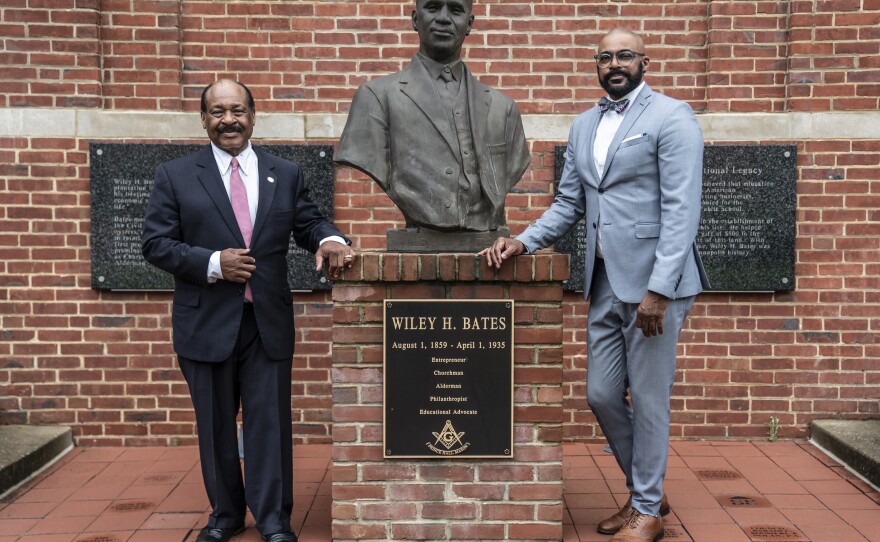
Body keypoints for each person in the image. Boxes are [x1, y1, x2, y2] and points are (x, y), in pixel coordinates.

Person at [480, 29, 709, 542]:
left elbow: (681, 209)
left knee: (649, 399)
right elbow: (568, 203)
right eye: (604, 57)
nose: (614, 63)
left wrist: (660, 289)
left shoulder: (672, 117)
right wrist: (523, 241)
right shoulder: (584, 125)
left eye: (624, 54)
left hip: (655, 285)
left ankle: (646, 509)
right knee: (602, 393)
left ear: (645, 61)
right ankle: (645, 490)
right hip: (603, 281)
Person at [142, 79, 357, 542]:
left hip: (266, 322)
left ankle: (275, 520)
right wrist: (214, 262)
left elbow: (308, 222)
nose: (228, 120)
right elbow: (156, 244)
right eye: (217, 112)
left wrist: (331, 238)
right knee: (216, 425)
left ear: (253, 116)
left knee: (269, 424)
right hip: (205, 322)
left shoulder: (285, 172)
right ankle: (225, 516)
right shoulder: (175, 175)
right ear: (204, 120)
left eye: (237, 110)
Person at [335, 0, 530, 248]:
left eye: (456, 10)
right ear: (415, 19)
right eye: (433, 7)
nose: (444, 18)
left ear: (469, 24)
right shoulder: (376, 98)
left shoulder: (504, 109)